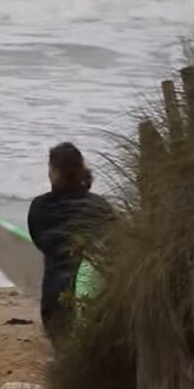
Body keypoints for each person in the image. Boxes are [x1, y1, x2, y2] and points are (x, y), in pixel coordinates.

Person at [27, 142, 114, 346]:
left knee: (63, 349)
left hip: (55, 297)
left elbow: (40, 241)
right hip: (96, 295)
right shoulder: (99, 206)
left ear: (54, 172)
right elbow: (113, 244)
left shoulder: (41, 207)